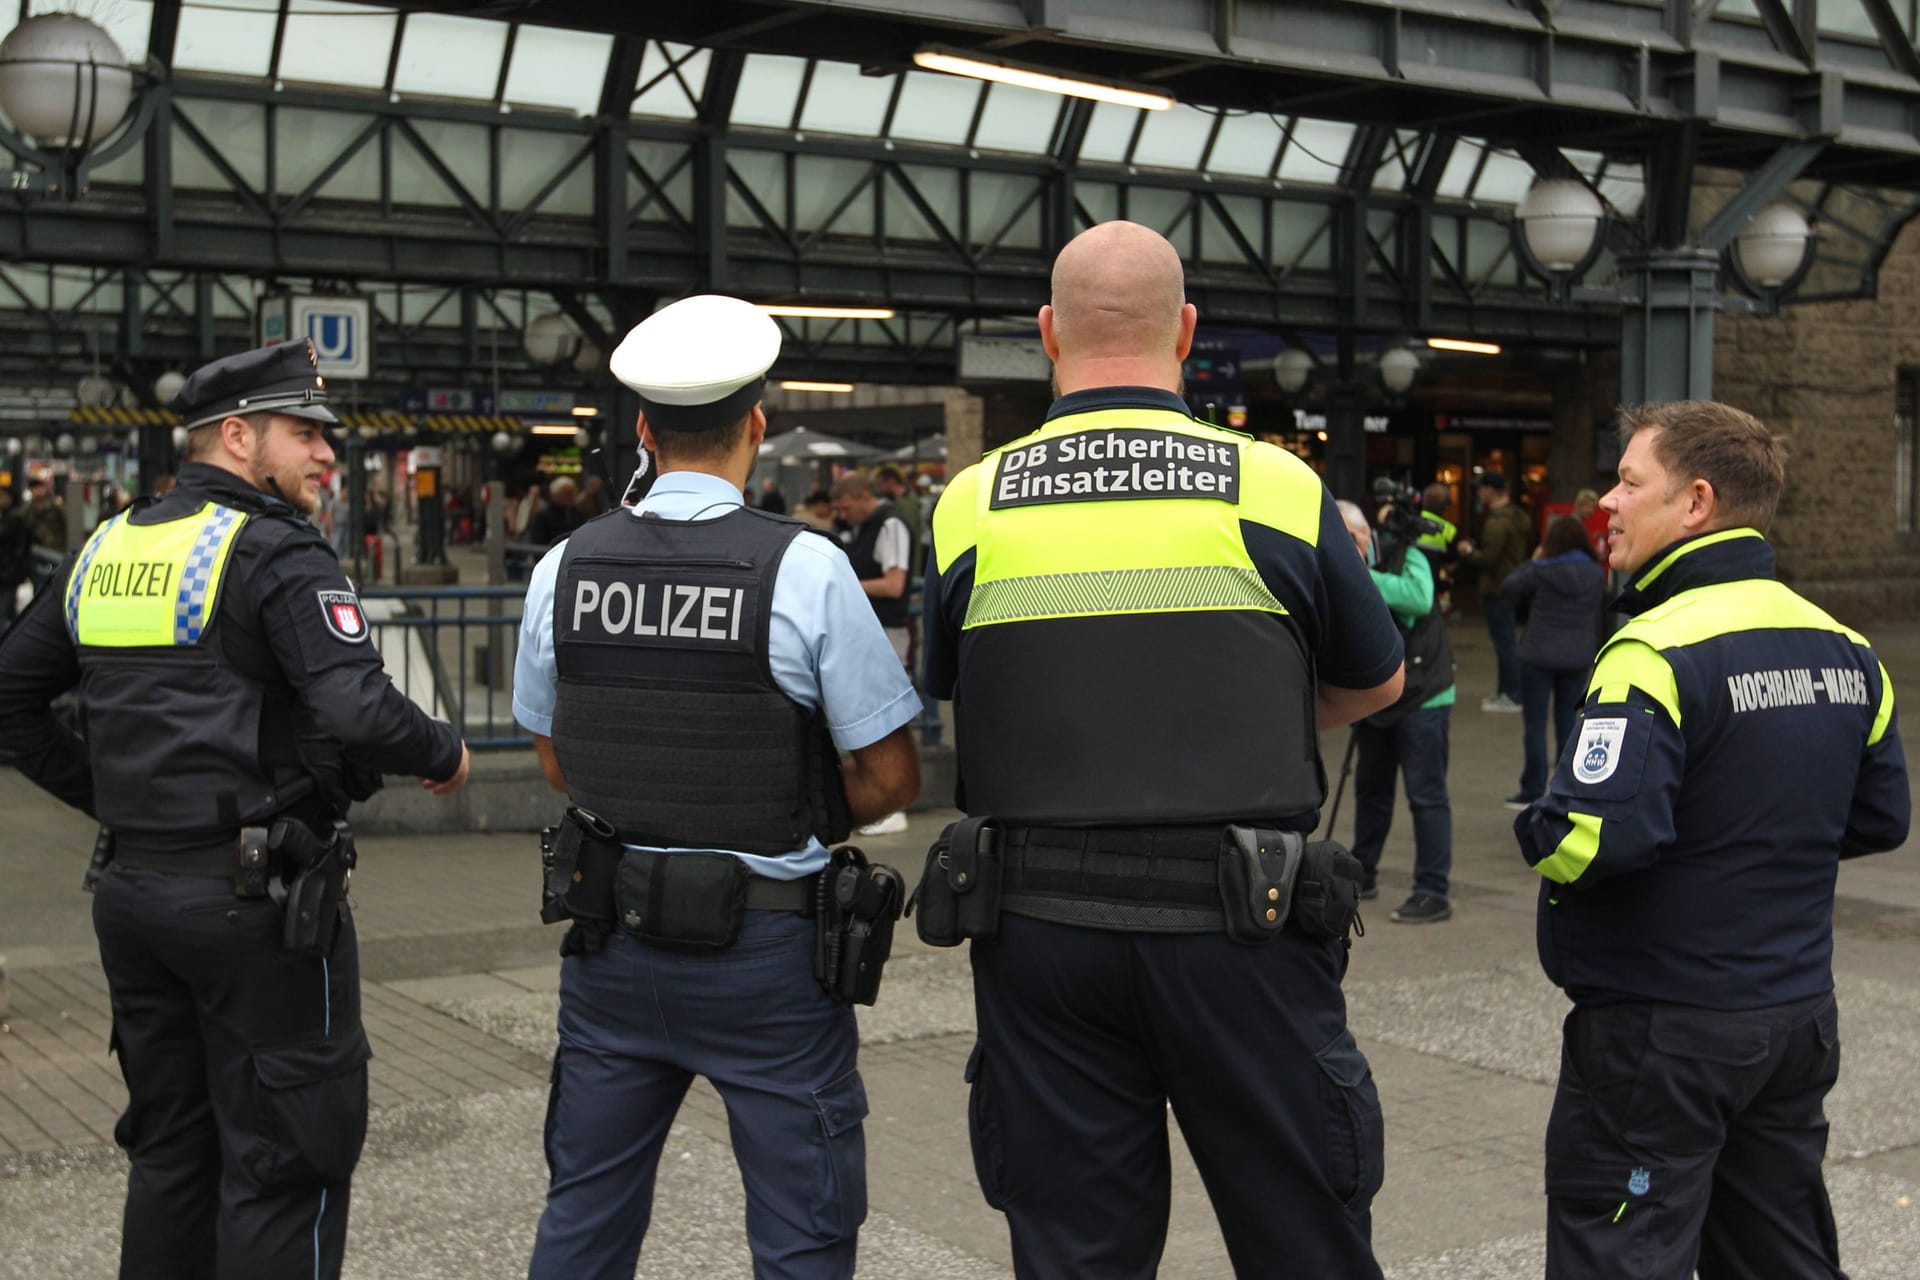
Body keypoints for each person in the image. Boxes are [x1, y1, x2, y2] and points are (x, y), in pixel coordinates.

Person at [922, 221, 1405, 1279]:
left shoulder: (973, 500)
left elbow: (957, 687)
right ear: (1186, 330)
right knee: (1303, 1238)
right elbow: (1378, 680)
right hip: (1244, 927)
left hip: (1040, 932)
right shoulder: (1275, 485)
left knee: (1076, 1252)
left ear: (1048, 333)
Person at [0, 339, 471, 1280]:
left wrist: (110, 797)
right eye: (306, 434)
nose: (328, 455)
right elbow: (354, 707)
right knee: (286, 1163)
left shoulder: (110, 544)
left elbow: (11, 694)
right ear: (237, 435)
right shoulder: (276, 553)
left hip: (133, 896)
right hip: (260, 912)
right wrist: (443, 751)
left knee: (172, 1155)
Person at [513, 294, 922, 1280]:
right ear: (758, 426)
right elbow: (890, 772)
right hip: (770, 957)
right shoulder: (810, 568)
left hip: (611, 947)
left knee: (584, 1218)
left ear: (644, 432)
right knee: (802, 1234)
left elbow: (557, 757)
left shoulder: (565, 566)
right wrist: (779, 799)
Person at [1515, 400, 1909, 1280]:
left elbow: (1590, 839)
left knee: (1624, 1253)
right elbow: (1882, 819)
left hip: (1661, 1032)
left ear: (1695, 503)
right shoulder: (1845, 646)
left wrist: (1534, 823)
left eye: (1627, 481)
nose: (1606, 504)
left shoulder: (1652, 649)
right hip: (1795, 1016)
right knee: (1779, 1254)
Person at [1338, 499, 1456, 924]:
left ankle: (1432, 890)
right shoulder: (1351, 567)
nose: (1347, 546)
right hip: (1378, 696)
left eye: (1352, 537)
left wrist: (1363, 577)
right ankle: (1362, 873)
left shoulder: (1408, 555)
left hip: (1424, 695)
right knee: (1371, 792)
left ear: (1365, 533)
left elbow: (1421, 599)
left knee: (1426, 796)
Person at [829, 471, 915, 836]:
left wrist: (847, 585)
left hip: (888, 630)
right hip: (869, 631)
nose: (843, 515)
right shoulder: (864, 527)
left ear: (865, 495)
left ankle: (893, 806)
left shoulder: (890, 524)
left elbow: (895, 584)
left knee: (886, 715)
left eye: (846, 507)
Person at [1499, 515, 1605, 809]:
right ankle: (1567, 789)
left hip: (1538, 655)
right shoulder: (1596, 573)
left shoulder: (1543, 571)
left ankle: (1532, 789)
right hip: (1578, 656)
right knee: (1568, 722)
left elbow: (1509, 586)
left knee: (1535, 724)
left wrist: (1535, 560)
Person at [1455, 471, 1529, 712]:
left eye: (1480, 488)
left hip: (1497, 588)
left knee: (1504, 644)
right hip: (1511, 584)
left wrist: (1467, 552)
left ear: (1490, 490)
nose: (1478, 493)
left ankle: (1512, 694)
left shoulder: (1497, 522)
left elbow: (1489, 558)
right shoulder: (1518, 516)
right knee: (1506, 642)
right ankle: (1507, 692)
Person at [874, 465, 921, 568]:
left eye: (881, 485)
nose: (880, 489)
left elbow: (907, 536)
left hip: (908, 564)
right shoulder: (900, 502)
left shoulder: (906, 504)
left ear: (891, 481)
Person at [526, 475, 586, 547]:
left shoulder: (577, 513)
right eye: (568, 493)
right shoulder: (543, 516)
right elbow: (538, 544)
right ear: (556, 494)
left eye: (574, 492)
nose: (573, 496)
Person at [0, 484, 31, 624]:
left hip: (9, 573)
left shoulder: (15, 518)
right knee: (9, 611)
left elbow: (20, 548)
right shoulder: (6, 516)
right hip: (6, 572)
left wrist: (12, 570)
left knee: (4, 610)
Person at [26, 473, 67, 554]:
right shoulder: (28, 510)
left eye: (40, 487)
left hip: (56, 549)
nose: (37, 490)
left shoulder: (55, 506)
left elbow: (66, 524)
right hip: (37, 551)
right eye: (34, 488)